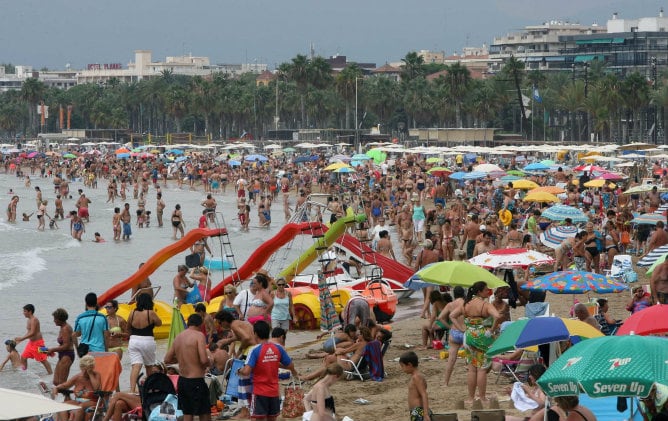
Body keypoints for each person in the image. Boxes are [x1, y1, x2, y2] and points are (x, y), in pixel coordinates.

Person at [450, 281, 501, 405]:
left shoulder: (465, 304)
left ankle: (471, 398)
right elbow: (498, 316)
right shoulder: (485, 305)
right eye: (486, 290)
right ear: (479, 292)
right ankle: (482, 397)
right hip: (482, 336)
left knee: (472, 369)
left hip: (468, 336)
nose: (488, 292)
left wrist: (461, 328)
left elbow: (452, 315)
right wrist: (492, 329)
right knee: (482, 369)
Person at [237, 321, 298, 421]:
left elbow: (247, 371)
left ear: (255, 333)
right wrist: (273, 361)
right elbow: (290, 365)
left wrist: (240, 371)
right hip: (274, 391)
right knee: (272, 418)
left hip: (259, 392)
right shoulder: (278, 348)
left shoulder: (255, 350)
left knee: (258, 418)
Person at [163, 314, 212, 421]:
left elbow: (167, 359)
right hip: (196, 381)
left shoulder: (178, 337)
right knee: (204, 413)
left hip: (183, 381)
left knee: (187, 414)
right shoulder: (199, 335)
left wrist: (181, 359)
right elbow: (204, 360)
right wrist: (210, 361)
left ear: (188, 323)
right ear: (200, 324)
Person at [127, 293, 162, 394]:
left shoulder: (132, 312)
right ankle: (150, 389)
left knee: (135, 366)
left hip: (134, 340)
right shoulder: (150, 313)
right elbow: (159, 323)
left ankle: (132, 390)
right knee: (149, 366)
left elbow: (128, 327)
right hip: (147, 340)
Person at [52, 355, 102, 421]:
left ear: (92, 368)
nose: (85, 372)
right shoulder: (78, 377)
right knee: (62, 406)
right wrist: (56, 387)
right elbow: (65, 385)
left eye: (87, 370)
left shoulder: (96, 375)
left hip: (92, 401)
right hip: (78, 401)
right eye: (83, 369)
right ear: (81, 368)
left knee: (80, 407)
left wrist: (90, 374)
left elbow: (96, 388)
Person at [14, 303, 52, 374]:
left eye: (25, 311)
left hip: (38, 343)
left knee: (43, 359)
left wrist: (21, 338)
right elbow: (28, 333)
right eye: (23, 311)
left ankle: (50, 374)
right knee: (23, 357)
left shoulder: (34, 319)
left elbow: (33, 332)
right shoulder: (28, 320)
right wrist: (21, 340)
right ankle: (24, 373)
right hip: (31, 343)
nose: (23, 313)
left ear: (30, 311)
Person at [438, 286, 466, 386]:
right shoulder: (465, 303)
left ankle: (446, 382)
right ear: (463, 293)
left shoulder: (450, 304)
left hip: (454, 332)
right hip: (464, 331)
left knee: (451, 359)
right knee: (471, 357)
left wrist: (449, 327)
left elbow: (440, 318)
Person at [399, 351, 432, 421]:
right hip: (417, 411)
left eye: (402, 366)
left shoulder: (416, 377)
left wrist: (425, 414)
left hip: (419, 411)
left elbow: (424, 394)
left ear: (409, 365)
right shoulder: (416, 376)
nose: (402, 369)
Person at [47, 308, 75, 386]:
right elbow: (63, 344)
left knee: (62, 383)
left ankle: (67, 397)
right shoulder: (62, 327)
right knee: (56, 382)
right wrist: (50, 350)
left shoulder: (66, 328)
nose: (54, 321)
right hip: (62, 354)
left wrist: (52, 349)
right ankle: (59, 397)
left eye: (55, 319)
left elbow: (66, 346)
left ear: (60, 319)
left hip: (67, 355)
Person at [414, 239, 440, 319]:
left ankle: (427, 313)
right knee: (428, 296)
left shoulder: (421, 253)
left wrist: (416, 276)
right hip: (431, 276)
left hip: (422, 275)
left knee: (425, 295)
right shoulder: (434, 254)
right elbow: (437, 267)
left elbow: (416, 266)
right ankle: (424, 313)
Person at [529, 395, 597, 421]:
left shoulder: (574, 415)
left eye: (558, 403)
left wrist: (560, 413)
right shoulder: (583, 409)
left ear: (564, 403)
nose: (558, 405)